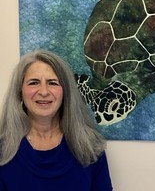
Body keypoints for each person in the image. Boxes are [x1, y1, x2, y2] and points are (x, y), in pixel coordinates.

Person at [0, 50, 113, 190]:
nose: (43, 92)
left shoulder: (90, 147)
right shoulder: (3, 150)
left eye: (52, 83)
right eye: (34, 82)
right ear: (20, 92)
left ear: (65, 91)